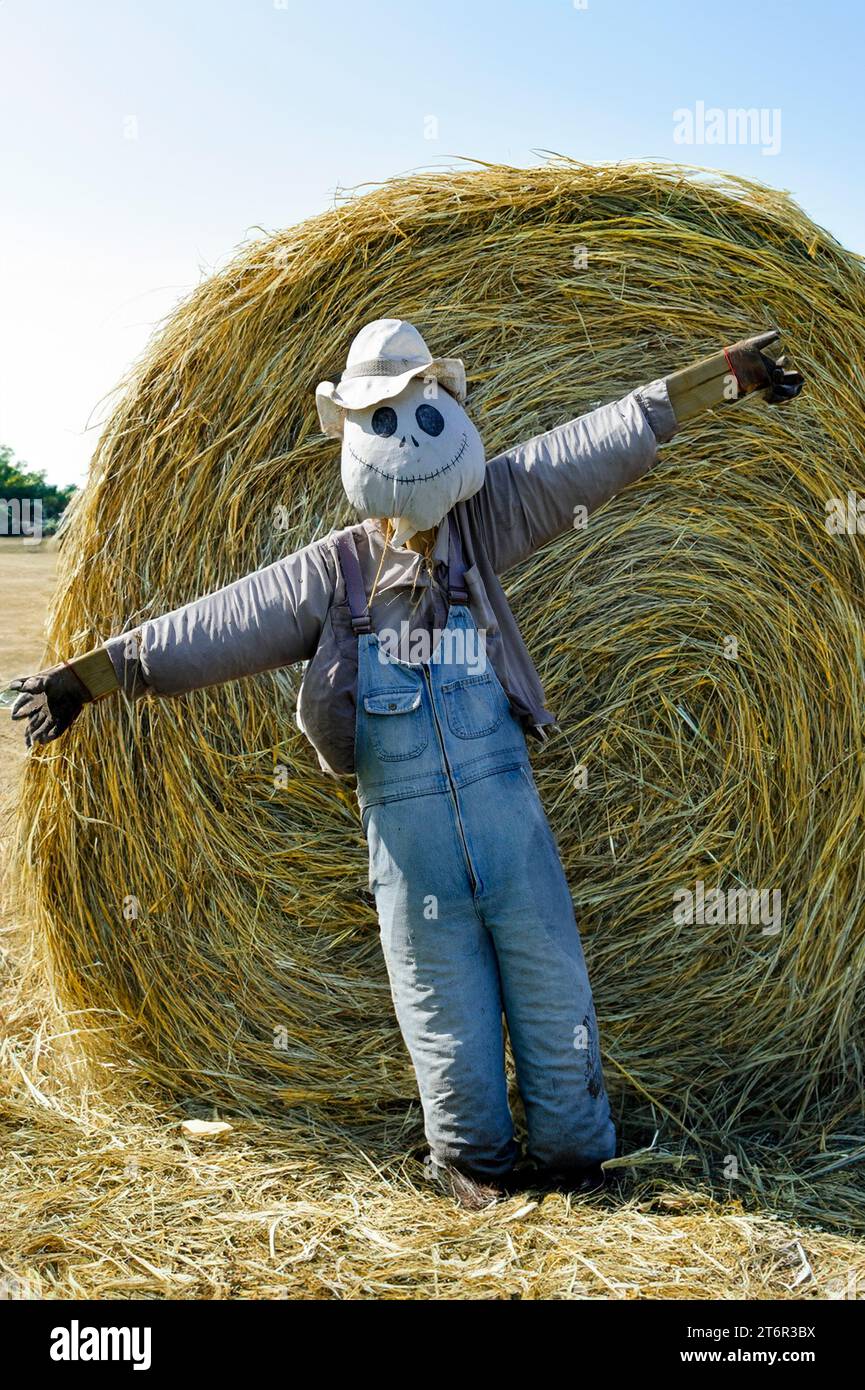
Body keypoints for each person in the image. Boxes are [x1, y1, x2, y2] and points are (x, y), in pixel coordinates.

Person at [10, 318, 803, 1210]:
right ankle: (474, 1166)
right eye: (382, 422)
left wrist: (712, 381)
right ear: (349, 436)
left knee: (552, 991)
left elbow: (583, 450)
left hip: (510, 829)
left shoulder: (487, 520)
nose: (409, 442)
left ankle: (578, 1163)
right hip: (409, 847)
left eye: (422, 415)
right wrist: (90, 677)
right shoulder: (332, 576)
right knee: (442, 1010)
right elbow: (220, 622)